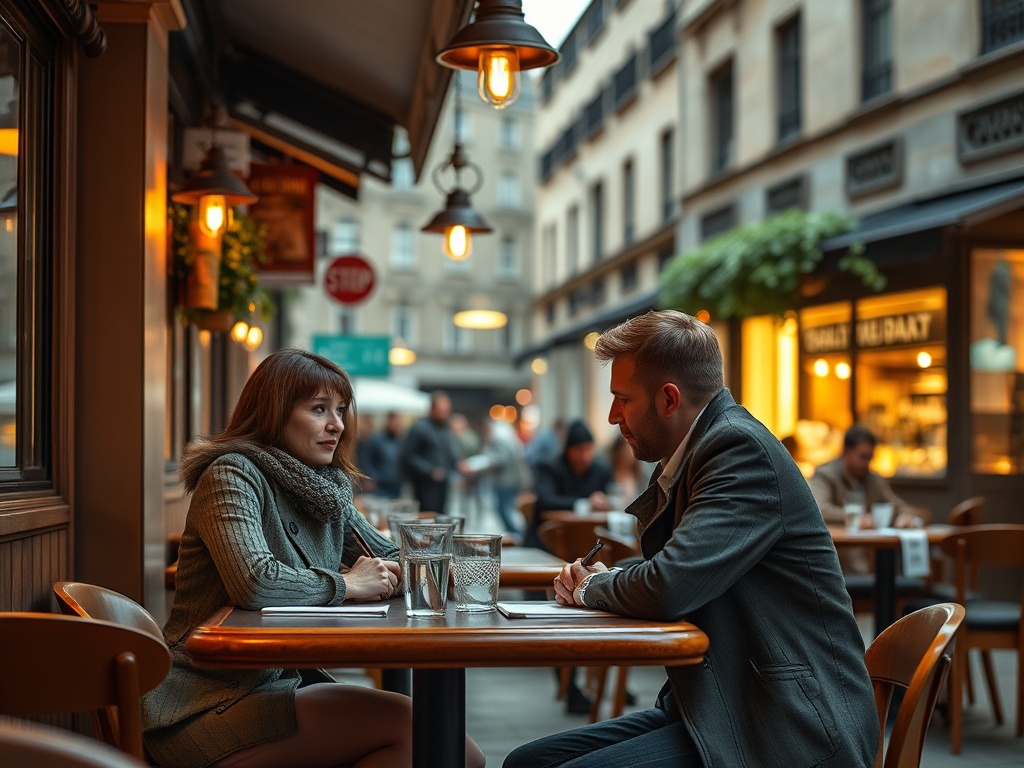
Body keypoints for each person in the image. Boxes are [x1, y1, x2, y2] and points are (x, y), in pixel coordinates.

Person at [505, 310, 877, 768]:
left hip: (793, 726)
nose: (612, 415)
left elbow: (669, 586)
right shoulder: (695, 455)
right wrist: (610, 579)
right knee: (527, 763)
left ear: (668, 399)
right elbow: (679, 571)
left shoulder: (739, 451)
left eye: (622, 398)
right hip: (724, 703)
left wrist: (590, 587)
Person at [143, 349, 484, 768]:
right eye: (319, 409)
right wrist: (348, 584)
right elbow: (255, 581)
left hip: (280, 685)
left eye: (340, 410)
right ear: (274, 412)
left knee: (457, 752)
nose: (337, 424)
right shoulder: (231, 474)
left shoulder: (324, 488)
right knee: (429, 741)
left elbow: (390, 557)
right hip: (206, 703)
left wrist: (456, 561)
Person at [809, 424, 927, 573]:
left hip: (872, 559)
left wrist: (906, 516)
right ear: (845, 452)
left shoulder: (872, 479)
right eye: (863, 457)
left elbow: (897, 505)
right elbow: (819, 510)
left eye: (870, 458)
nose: (867, 463)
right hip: (836, 562)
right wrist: (856, 518)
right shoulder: (826, 475)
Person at [527, 419, 613, 549]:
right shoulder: (549, 467)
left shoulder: (601, 470)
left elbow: (610, 496)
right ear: (567, 449)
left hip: (589, 541)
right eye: (579, 450)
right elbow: (545, 501)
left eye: (588, 449)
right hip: (547, 543)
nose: (585, 456)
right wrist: (586, 504)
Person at [400, 390, 464, 514]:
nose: (445, 413)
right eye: (441, 410)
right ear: (432, 408)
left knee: (441, 518)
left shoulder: (445, 429)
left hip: (443, 484)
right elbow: (408, 456)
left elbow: (449, 453)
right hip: (425, 486)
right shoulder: (420, 427)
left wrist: (458, 463)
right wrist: (430, 471)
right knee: (427, 519)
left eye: (447, 410)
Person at [482, 418, 530, 536]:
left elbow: (500, 460)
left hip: (505, 481)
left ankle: (516, 535)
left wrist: (479, 465)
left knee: (504, 510)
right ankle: (516, 535)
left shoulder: (498, 437)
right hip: (512, 480)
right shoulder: (507, 435)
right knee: (507, 509)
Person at [361, 410, 405, 499]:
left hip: (397, 486)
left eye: (399, 422)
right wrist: (370, 477)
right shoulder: (376, 439)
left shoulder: (400, 440)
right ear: (389, 420)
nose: (397, 424)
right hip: (380, 486)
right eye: (395, 421)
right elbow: (366, 460)